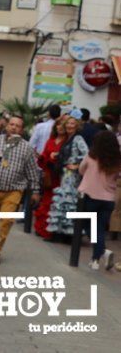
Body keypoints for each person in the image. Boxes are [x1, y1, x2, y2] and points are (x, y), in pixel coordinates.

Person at [0, 115, 41, 265]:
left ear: (22, 129)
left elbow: (32, 171)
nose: (14, 127)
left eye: (17, 126)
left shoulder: (27, 148)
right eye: (11, 124)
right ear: (6, 126)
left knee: (5, 221)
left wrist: (36, 191)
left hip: (14, 190)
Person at [77, 130, 120, 270]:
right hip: (108, 199)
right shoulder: (117, 160)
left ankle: (101, 252)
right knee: (100, 228)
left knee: (86, 224)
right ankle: (96, 258)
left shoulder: (91, 156)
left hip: (90, 196)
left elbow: (81, 170)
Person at [46, 116, 89, 241]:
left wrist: (77, 166)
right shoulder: (68, 139)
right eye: (68, 123)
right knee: (63, 203)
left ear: (77, 126)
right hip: (65, 174)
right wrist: (57, 154)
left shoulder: (78, 138)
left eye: (73, 123)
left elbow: (87, 154)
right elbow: (69, 153)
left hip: (72, 176)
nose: (70, 126)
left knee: (68, 202)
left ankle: (68, 235)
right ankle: (61, 232)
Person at [33, 115, 69, 240]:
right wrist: (41, 158)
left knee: (55, 204)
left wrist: (57, 157)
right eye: (58, 124)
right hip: (49, 176)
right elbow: (43, 156)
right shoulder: (51, 140)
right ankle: (41, 228)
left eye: (62, 125)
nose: (60, 127)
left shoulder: (68, 142)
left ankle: (51, 232)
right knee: (46, 202)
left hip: (60, 177)